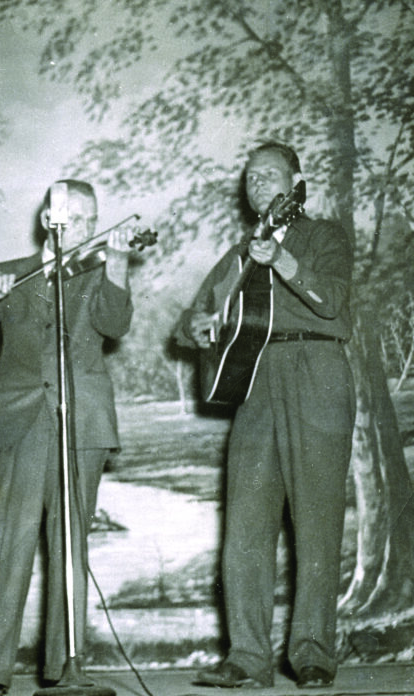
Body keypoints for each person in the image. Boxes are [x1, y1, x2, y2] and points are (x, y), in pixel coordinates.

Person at [0, 180, 134, 696]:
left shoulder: (99, 271)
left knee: (70, 544)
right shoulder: (11, 273)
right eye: (80, 217)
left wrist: (117, 265)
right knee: (6, 541)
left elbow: (115, 323)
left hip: (82, 421)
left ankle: (66, 667)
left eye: (95, 218)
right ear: (52, 217)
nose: (90, 228)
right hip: (19, 418)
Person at [178, 142, 355, 690]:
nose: (257, 183)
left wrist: (282, 260)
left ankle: (313, 654)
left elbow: (333, 301)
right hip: (255, 382)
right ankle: (248, 657)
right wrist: (198, 324)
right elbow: (190, 319)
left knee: (317, 524)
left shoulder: (324, 236)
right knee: (245, 529)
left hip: (317, 370)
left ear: (296, 183)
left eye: (270, 174)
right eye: (251, 177)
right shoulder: (239, 251)